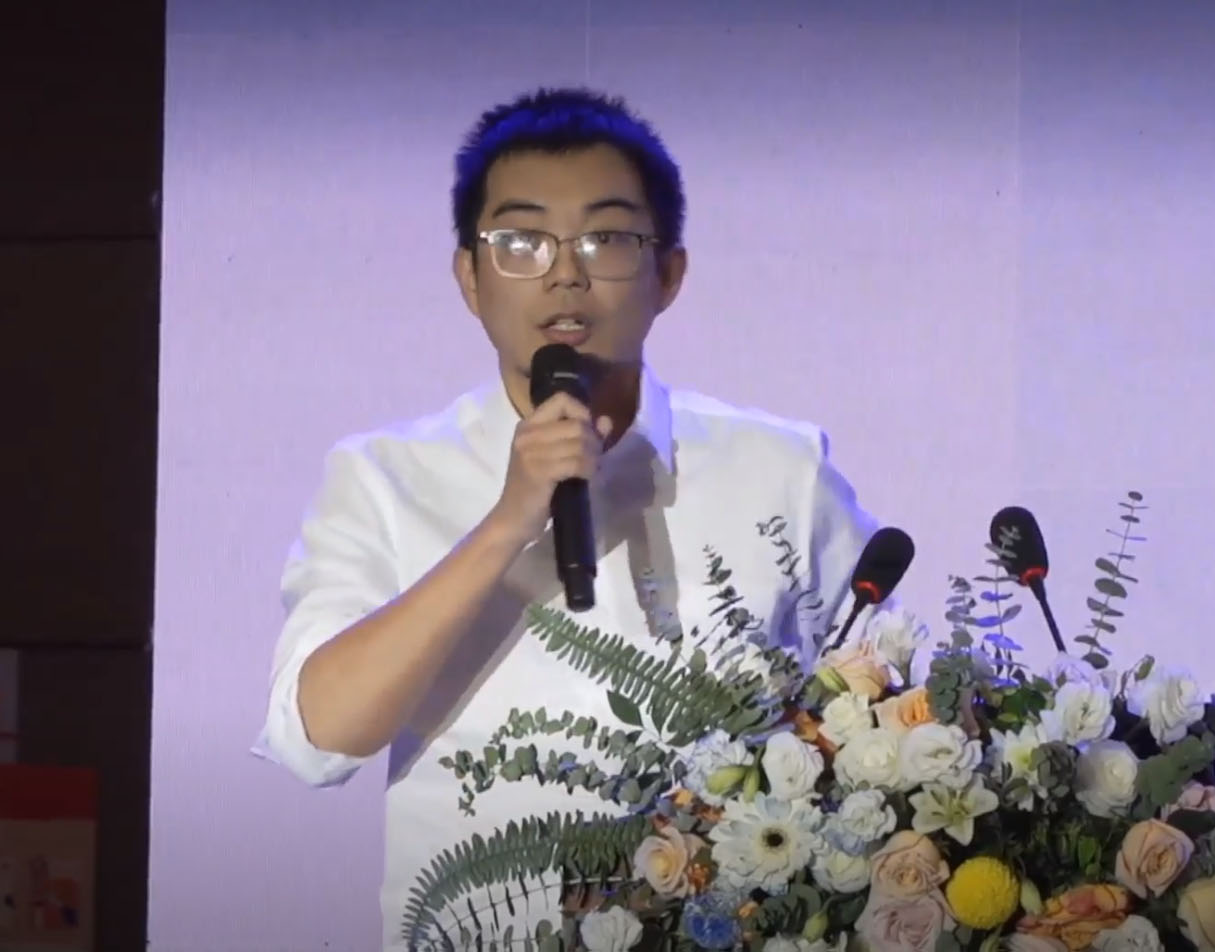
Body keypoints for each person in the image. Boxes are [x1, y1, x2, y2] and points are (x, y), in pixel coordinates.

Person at [253, 87, 885, 951]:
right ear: (469, 279)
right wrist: (507, 521)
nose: (565, 273)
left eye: (607, 238)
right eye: (521, 242)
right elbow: (317, 739)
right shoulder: (384, 477)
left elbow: (880, 719)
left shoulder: (782, 470)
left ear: (669, 275)